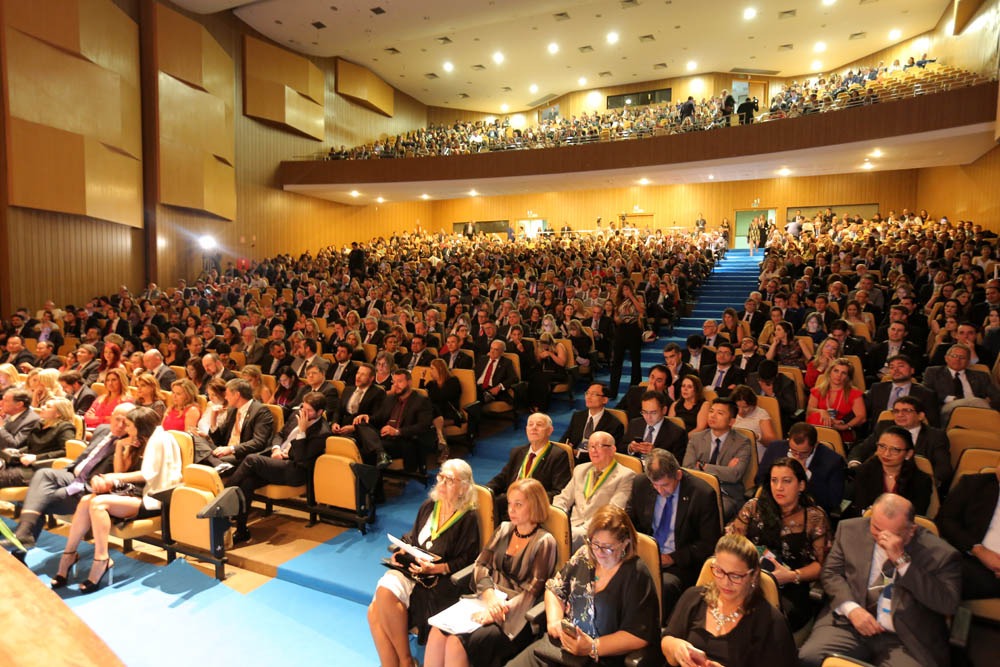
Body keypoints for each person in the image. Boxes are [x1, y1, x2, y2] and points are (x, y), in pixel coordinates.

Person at [798, 494, 962, 667]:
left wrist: (902, 561)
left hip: (905, 638)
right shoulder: (849, 530)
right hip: (850, 624)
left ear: (911, 530)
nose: (881, 537)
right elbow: (830, 573)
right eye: (876, 528)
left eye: (891, 533)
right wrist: (851, 609)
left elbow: (948, 604)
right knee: (810, 658)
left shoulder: (942, 555)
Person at [424, 478, 558, 667]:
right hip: (487, 599)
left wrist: (497, 611)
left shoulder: (544, 542)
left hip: (515, 615)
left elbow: (531, 592)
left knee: (456, 643)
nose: (511, 510)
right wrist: (489, 596)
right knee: (437, 632)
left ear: (535, 506)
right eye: (510, 503)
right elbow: (480, 564)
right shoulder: (503, 529)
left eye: (518, 505)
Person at [507, 505, 659, 667]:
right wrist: (554, 621)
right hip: (559, 648)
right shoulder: (584, 555)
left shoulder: (637, 574)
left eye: (607, 548)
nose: (599, 552)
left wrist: (592, 647)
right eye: (595, 543)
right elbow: (554, 590)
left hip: (599, 658)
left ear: (625, 543)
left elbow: (638, 635)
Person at [52, 407, 181, 593]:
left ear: (139, 425)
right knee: (86, 500)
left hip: (153, 498)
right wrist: (121, 446)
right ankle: (69, 554)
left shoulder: (161, 440)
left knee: (98, 503)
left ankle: (101, 559)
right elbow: (122, 471)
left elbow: (147, 474)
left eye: (129, 425)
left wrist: (111, 478)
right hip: (134, 492)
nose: (126, 429)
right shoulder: (141, 440)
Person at [368, 459, 480, 665]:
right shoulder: (430, 505)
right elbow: (412, 536)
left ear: (464, 488)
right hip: (414, 569)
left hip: (440, 581)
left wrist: (437, 568)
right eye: (441, 477)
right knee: (377, 605)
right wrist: (402, 549)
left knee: (376, 608)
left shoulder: (468, 518)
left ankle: (405, 661)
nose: (442, 483)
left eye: (449, 480)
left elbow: (467, 559)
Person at [661, 534, 797, 667]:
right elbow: (667, 639)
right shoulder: (694, 597)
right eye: (719, 571)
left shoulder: (770, 622)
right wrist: (675, 647)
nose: (726, 582)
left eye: (735, 576)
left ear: (754, 575)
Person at [729, 457, 830, 630]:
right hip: (748, 579)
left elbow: (823, 565)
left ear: (801, 485)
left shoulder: (814, 517)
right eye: (774, 480)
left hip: (791, 586)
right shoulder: (753, 507)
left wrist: (792, 575)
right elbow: (731, 544)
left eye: (786, 481)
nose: (779, 487)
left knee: (758, 619)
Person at [225, 391, 332, 544]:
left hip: (295, 470)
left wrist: (302, 431)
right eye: (303, 407)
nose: (304, 412)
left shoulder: (322, 432)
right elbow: (280, 435)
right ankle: (242, 531)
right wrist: (276, 449)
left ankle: (223, 496)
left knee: (251, 459)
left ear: (320, 412)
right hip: (277, 461)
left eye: (309, 411)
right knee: (248, 482)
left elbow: (300, 457)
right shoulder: (297, 414)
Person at [628, 449, 721, 620]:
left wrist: (672, 558)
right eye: (655, 485)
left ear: (678, 474)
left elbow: (708, 544)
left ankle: (654, 628)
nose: (660, 491)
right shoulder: (641, 483)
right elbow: (629, 522)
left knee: (664, 587)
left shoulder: (702, 494)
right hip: (645, 554)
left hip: (680, 562)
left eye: (665, 485)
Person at [553, 430, 636, 549]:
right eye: (591, 446)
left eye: (599, 446)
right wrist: (559, 520)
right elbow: (563, 498)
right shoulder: (580, 469)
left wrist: (576, 530)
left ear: (612, 449)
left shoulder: (626, 476)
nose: (593, 450)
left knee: (560, 540)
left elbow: (613, 511)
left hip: (599, 531)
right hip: (571, 526)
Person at [849, 396, 952, 492]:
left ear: (920, 416)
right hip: (878, 480)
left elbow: (943, 469)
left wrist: (925, 483)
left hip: (914, 486)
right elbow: (862, 448)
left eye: (906, 411)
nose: (900, 415)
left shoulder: (936, 436)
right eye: (896, 411)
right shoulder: (884, 427)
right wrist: (854, 464)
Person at [486, 412, 571, 516]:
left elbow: (559, 491)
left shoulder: (558, 455)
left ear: (549, 430)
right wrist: (486, 490)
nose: (534, 428)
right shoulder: (518, 452)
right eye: (530, 424)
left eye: (539, 425)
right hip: (510, 501)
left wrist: (528, 498)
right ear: (526, 429)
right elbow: (502, 478)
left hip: (534, 508)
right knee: (486, 503)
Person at [938, 465, 1000, 600]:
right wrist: (978, 550)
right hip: (972, 560)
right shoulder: (974, 484)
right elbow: (945, 520)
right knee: (944, 569)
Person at [683, 399, 751, 520]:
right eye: (711, 411)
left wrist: (703, 466)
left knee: (709, 514)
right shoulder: (696, 438)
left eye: (720, 413)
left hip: (726, 494)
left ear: (731, 421)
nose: (713, 416)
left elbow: (735, 474)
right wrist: (724, 470)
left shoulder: (742, 442)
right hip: (696, 491)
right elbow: (688, 469)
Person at [757, 422, 845, 515]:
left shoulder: (833, 461)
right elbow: (759, 479)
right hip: (775, 507)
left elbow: (833, 501)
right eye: (793, 450)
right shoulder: (775, 448)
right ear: (788, 440)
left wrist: (807, 475)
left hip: (811, 511)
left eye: (803, 453)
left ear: (815, 445)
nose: (797, 456)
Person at [848, 425, 933, 518]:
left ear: (908, 454)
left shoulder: (921, 480)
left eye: (895, 449)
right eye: (882, 446)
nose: (886, 453)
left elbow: (916, 516)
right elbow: (860, 509)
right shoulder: (864, 472)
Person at [355, 368, 433, 470]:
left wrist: (396, 431)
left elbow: (423, 426)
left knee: (365, 451)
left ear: (409, 382)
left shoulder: (421, 401)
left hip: (402, 440)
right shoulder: (390, 398)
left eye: (399, 382)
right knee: (361, 423)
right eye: (394, 382)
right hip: (383, 437)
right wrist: (367, 417)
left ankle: (379, 455)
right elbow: (379, 418)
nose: (396, 385)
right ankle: (381, 453)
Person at [0, 397, 76, 488]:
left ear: (58, 414)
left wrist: (36, 458)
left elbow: (66, 452)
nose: (42, 407)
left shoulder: (65, 428)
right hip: (25, 463)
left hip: (42, 468)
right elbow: (32, 446)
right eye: (44, 405)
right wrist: (17, 451)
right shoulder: (40, 424)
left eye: (48, 407)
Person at [207, 378, 276, 470]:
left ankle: (216, 463)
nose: (225, 397)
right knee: (196, 442)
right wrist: (213, 419)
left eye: (227, 394)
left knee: (205, 459)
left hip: (241, 455)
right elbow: (219, 439)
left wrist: (231, 449)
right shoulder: (232, 410)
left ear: (237, 395)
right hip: (225, 450)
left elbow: (258, 442)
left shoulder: (260, 411)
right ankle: (218, 464)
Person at [805, 357, 866, 445]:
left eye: (843, 373)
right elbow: (810, 410)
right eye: (836, 371)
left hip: (841, 430)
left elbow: (861, 417)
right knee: (817, 417)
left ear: (848, 377)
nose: (838, 375)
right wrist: (822, 412)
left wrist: (845, 426)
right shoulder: (817, 391)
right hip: (820, 427)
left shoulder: (854, 393)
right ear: (830, 372)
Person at [561, 382, 626, 462]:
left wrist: (577, 453)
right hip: (572, 458)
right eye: (587, 393)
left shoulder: (614, 424)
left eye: (594, 394)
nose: (588, 397)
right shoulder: (578, 416)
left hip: (596, 462)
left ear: (605, 400)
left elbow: (608, 453)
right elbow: (565, 439)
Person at [625, 390, 688, 465]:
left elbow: (677, 463)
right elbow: (620, 448)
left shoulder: (677, 433)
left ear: (664, 410)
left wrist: (656, 453)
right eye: (644, 412)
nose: (648, 417)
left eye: (653, 412)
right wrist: (630, 448)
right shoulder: (635, 424)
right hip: (634, 466)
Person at [608, 280, 645, 398]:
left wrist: (631, 297)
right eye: (624, 289)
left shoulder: (638, 298)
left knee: (635, 360)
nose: (626, 291)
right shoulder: (618, 301)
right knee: (616, 361)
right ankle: (613, 391)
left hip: (634, 329)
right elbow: (615, 316)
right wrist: (617, 319)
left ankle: (635, 389)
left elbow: (641, 311)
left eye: (627, 289)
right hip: (622, 330)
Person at [421, 358, 463, 463]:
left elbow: (442, 397)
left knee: (433, 412)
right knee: (433, 414)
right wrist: (422, 380)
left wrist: (431, 392)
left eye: (432, 368)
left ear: (439, 369)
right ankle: (442, 443)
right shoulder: (431, 384)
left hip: (450, 414)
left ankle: (442, 448)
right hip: (436, 415)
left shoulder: (453, 381)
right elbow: (421, 396)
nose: (430, 371)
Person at [730, 385, 777, 458]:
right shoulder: (732, 411)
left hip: (753, 454)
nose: (740, 411)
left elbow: (772, 441)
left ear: (753, 405)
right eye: (737, 407)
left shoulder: (761, 414)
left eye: (745, 407)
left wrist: (757, 437)